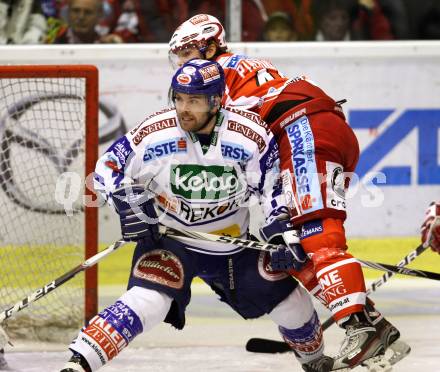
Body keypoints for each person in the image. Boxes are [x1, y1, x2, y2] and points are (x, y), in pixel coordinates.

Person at [60, 59, 334, 372]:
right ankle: (78, 364)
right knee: (149, 300)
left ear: (216, 101)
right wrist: (126, 199)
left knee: (290, 303)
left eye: (194, 101)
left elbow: (273, 186)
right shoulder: (155, 131)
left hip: (232, 247)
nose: (183, 108)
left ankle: (316, 363)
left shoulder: (249, 135)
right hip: (168, 240)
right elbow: (108, 166)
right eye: (178, 98)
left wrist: (281, 228)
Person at [168, 14, 405, 370]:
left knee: (316, 231)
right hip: (319, 130)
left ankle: (357, 325)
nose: (183, 64)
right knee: (293, 245)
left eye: (188, 52)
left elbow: (237, 142)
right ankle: (372, 325)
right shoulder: (242, 69)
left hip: (303, 129)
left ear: (212, 46)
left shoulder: (214, 79)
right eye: (179, 56)